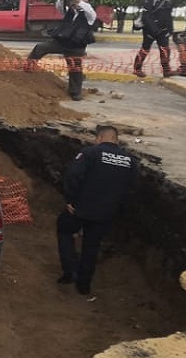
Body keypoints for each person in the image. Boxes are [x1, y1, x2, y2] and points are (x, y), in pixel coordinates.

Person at [56, 125, 137, 297]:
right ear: (117, 139)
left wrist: (71, 199)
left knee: (64, 229)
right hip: (105, 212)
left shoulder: (90, 153)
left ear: (99, 138)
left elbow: (73, 175)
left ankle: (70, 271)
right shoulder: (130, 160)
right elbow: (133, 188)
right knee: (92, 246)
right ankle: (84, 285)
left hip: (80, 208)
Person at [24, 0, 97, 101]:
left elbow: (88, 9)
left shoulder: (90, 15)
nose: (76, 2)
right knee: (40, 48)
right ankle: (28, 67)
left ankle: (75, 93)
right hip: (61, 42)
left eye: (81, 0)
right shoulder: (69, 12)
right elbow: (59, 6)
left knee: (75, 69)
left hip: (76, 47)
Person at [133, 0, 174, 78]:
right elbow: (146, 17)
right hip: (150, 31)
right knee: (145, 49)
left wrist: (170, 29)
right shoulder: (150, 1)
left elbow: (168, 17)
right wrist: (154, 29)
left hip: (163, 31)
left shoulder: (168, 2)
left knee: (165, 50)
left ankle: (166, 70)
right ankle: (137, 68)